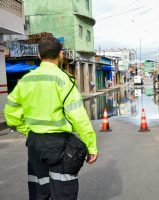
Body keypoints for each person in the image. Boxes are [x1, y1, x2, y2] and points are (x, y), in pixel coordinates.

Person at [4, 37, 98, 200]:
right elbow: (78, 117)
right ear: (61, 54)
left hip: (34, 143)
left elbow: (11, 115)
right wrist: (91, 146)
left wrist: (28, 130)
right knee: (63, 192)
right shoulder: (65, 81)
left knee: (39, 191)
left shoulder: (26, 80)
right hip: (59, 144)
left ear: (39, 56)